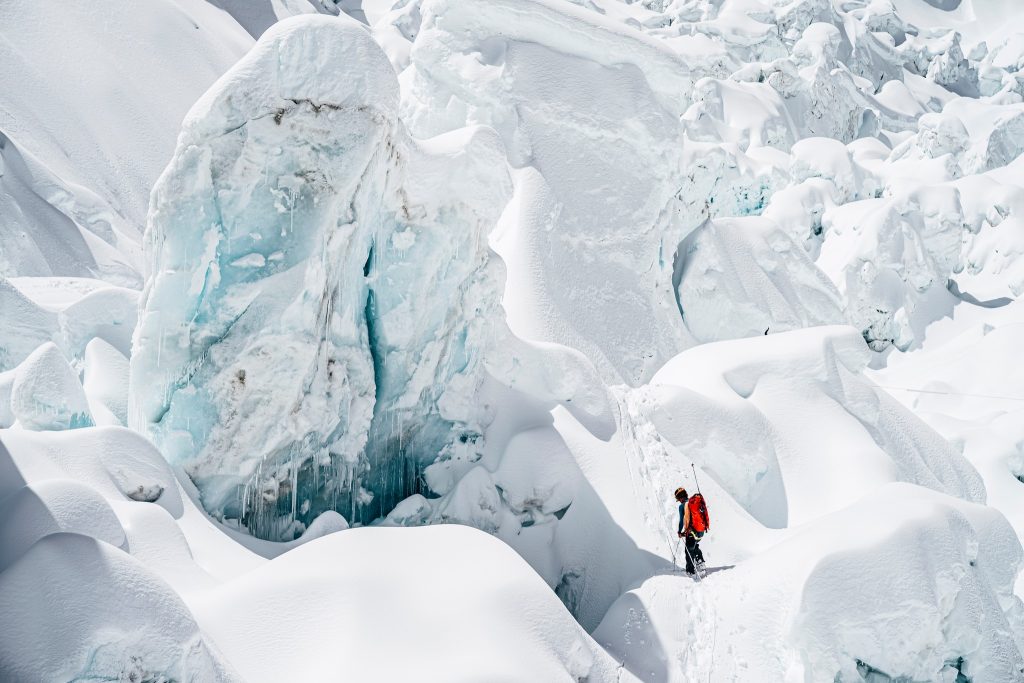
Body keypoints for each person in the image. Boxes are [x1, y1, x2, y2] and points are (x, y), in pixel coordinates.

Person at [675, 487, 705, 576]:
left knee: (688, 550)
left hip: (692, 533)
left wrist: (679, 531)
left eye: (678, 499)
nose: (679, 501)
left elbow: (681, 521)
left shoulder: (682, 506)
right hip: (701, 531)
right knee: (694, 546)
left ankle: (690, 572)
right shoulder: (693, 502)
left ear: (680, 498)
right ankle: (700, 563)